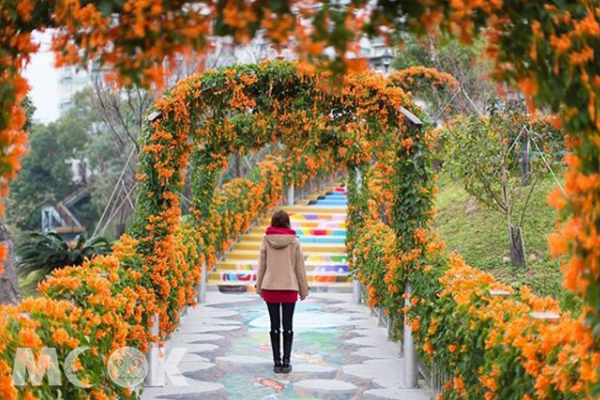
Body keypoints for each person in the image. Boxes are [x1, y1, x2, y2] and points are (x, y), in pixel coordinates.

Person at [256, 209, 309, 374]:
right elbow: (299, 267)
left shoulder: (266, 241)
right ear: (287, 222)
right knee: (288, 325)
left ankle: (276, 362)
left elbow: (262, 266)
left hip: (270, 287)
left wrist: (259, 287)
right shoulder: (294, 242)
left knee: (274, 325)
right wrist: (303, 289)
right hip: (289, 287)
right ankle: (286, 362)